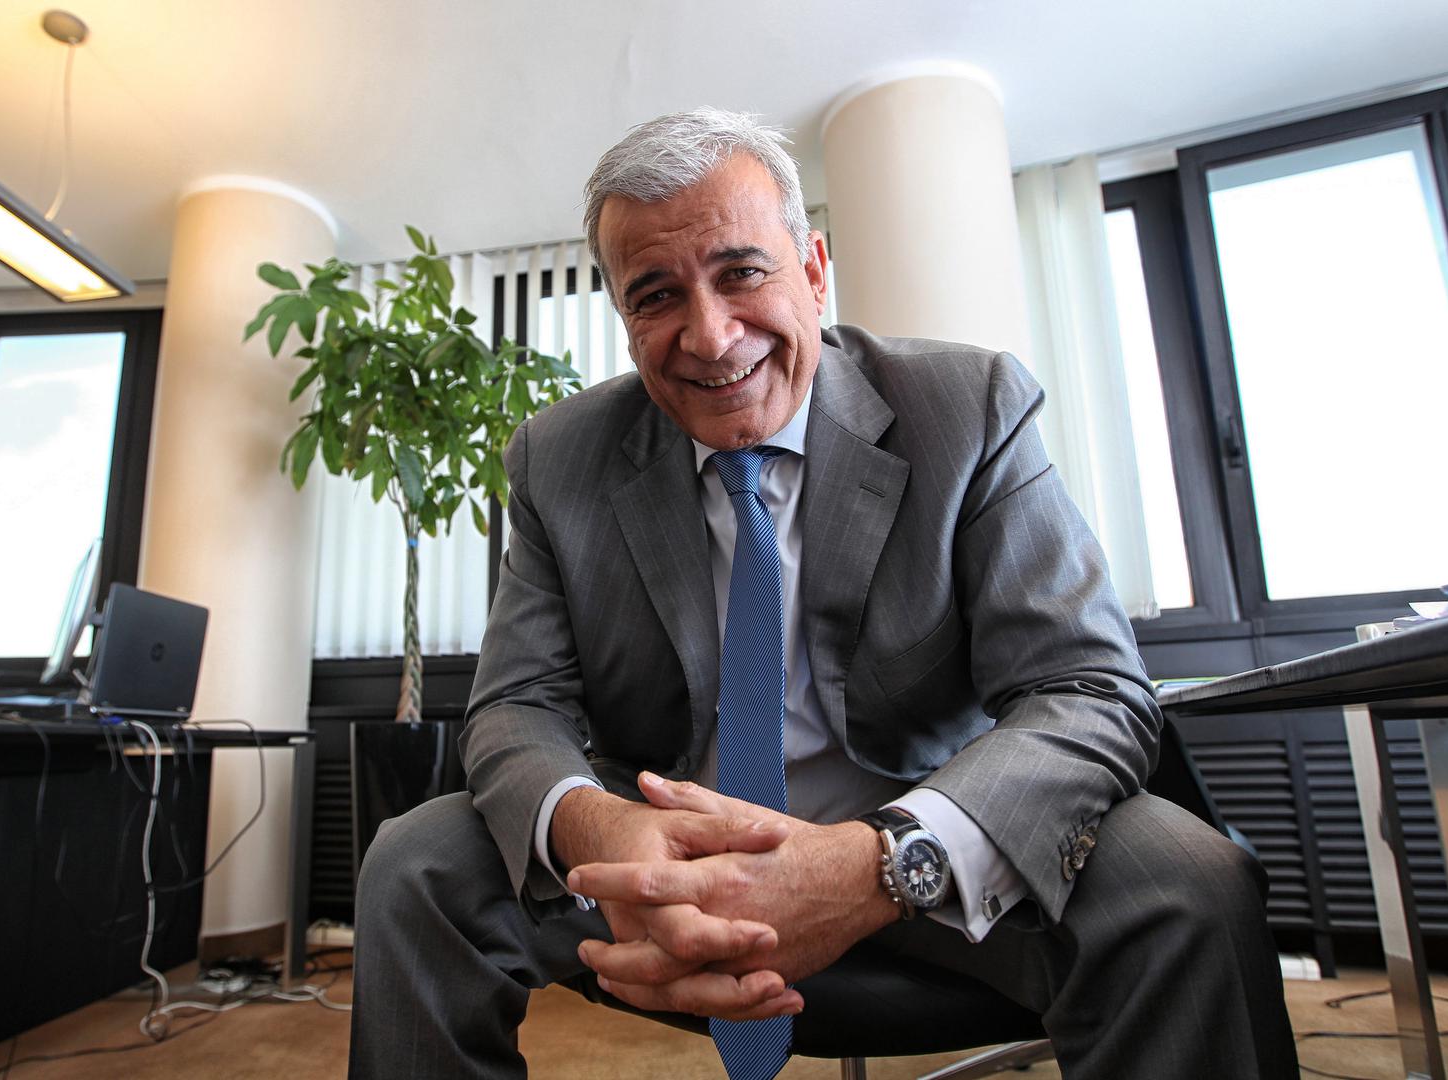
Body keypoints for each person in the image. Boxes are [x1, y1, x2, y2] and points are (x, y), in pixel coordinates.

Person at [350, 107, 1297, 1080]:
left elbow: (1088, 689)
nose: (709, 335)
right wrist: (604, 828)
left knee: (1185, 883)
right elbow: (515, 705)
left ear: (812, 269)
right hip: (659, 855)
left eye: (740, 272)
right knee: (416, 865)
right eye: (656, 295)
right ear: (624, 320)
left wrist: (875, 864)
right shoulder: (559, 458)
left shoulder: (967, 408)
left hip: (921, 834)